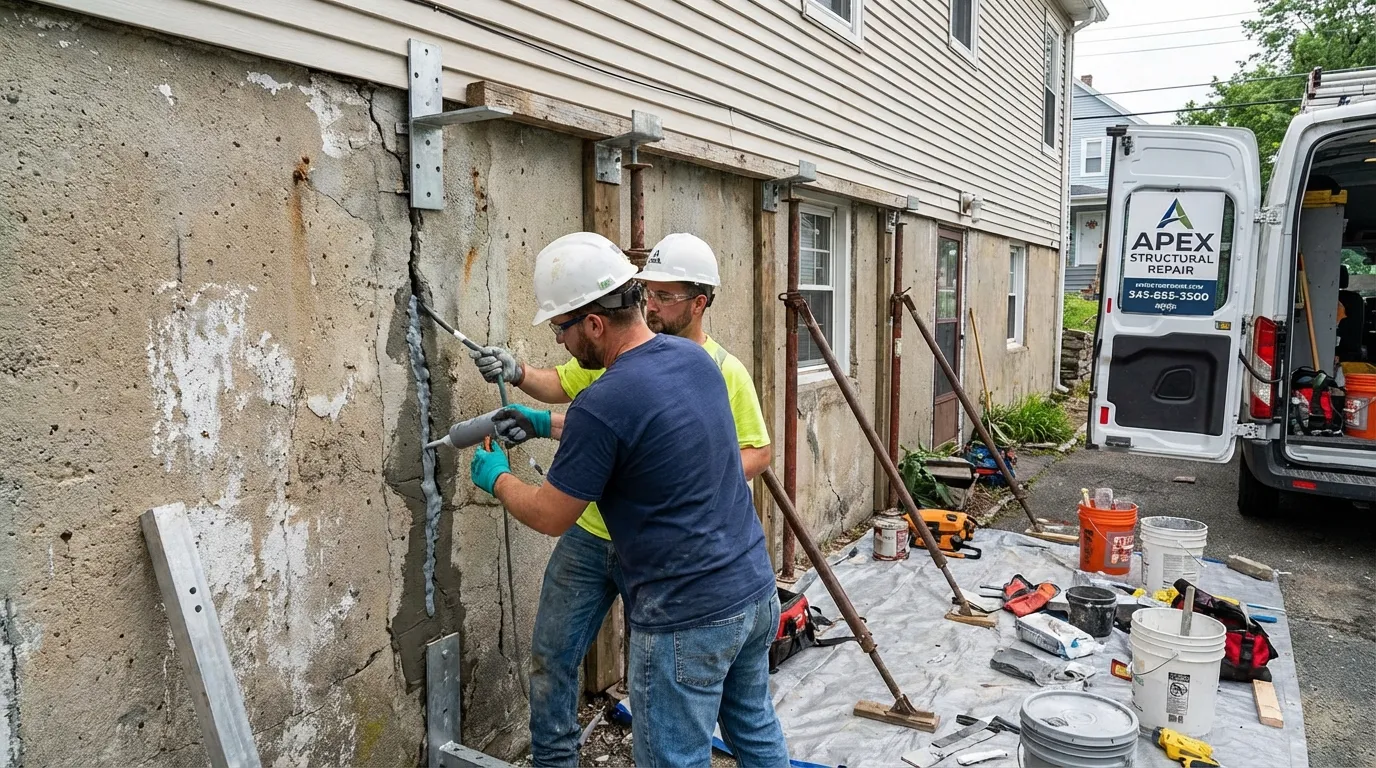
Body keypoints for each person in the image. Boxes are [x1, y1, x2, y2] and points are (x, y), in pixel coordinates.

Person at [468, 232, 786, 767]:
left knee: (672, 758)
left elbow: (550, 514)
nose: (561, 341)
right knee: (753, 730)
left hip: (686, 615)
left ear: (594, 323)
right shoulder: (695, 363)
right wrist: (545, 421)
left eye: (561, 327)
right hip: (752, 592)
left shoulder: (604, 401)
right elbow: (637, 429)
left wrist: (497, 476)